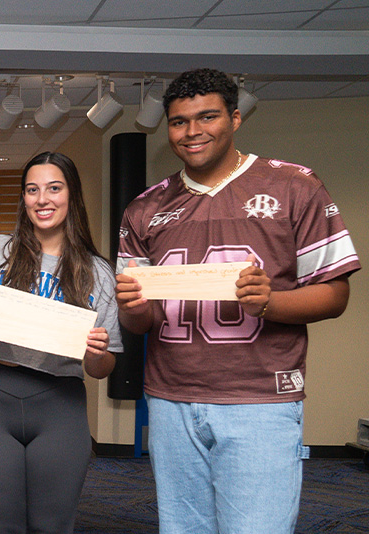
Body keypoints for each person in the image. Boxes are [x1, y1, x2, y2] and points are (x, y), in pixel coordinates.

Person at [115, 68, 359, 533]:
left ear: (235, 118)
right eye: (179, 122)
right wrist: (132, 306)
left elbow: (335, 294)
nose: (192, 131)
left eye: (207, 117)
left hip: (259, 397)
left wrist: (270, 302)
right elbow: (140, 323)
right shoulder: (144, 208)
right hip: (170, 398)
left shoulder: (294, 186)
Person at [0, 152, 121, 533]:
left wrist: (96, 352)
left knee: (53, 525)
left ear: (72, 194)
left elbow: (102, 367)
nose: (42, 199)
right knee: (1, 524)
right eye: (32, 190)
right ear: (23, 198)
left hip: (60, 401)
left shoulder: (98, 272)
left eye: (54, 188)